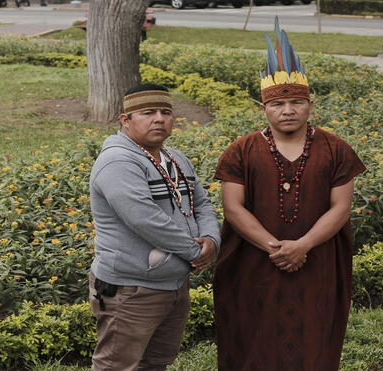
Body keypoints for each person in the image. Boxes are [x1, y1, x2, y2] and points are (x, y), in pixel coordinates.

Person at [213, 18, 366, 370]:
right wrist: (276, 248)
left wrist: (303, 246)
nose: (288, 110)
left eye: (297, 102)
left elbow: (341, 207)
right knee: (253, 336)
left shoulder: (336, 149)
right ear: (263, 108)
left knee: (314, 337)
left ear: (310, 104)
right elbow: (234, 209)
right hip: (254, 263)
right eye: (278, 105)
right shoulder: (241, 150)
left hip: (318, 262)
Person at [88, 83, 221, 371]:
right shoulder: (117, 161)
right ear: (125, 120)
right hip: (131, 289)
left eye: (166, 112)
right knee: (116, 365)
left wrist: (211, 238)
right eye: (148, 112)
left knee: (156, 362)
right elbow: (144, 218)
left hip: (173, 284)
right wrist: (193, 252)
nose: (159, 118)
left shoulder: (175, 158)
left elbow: (202, 202)